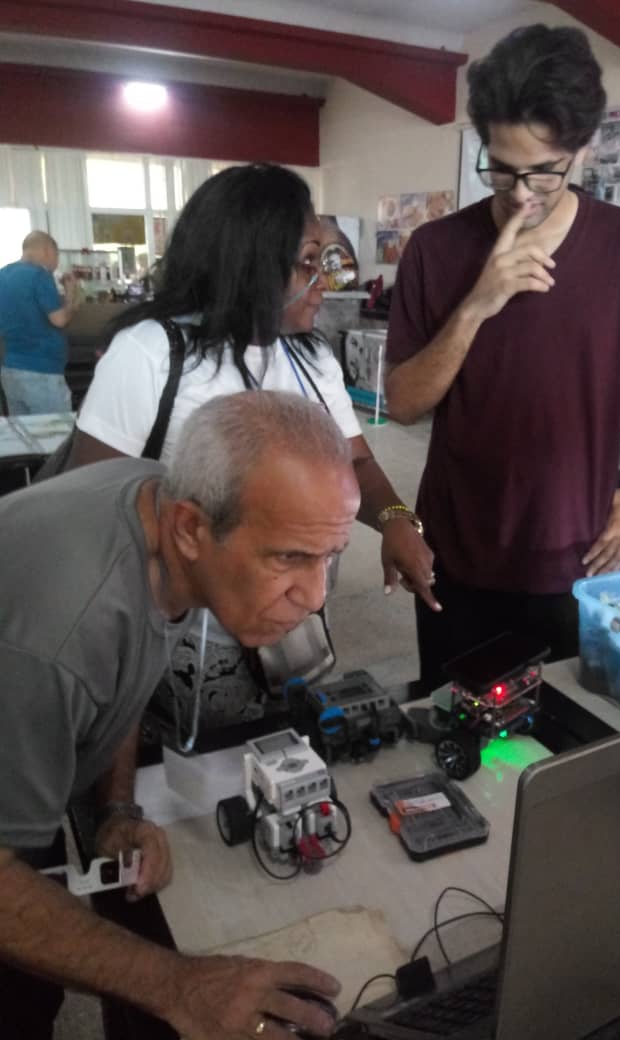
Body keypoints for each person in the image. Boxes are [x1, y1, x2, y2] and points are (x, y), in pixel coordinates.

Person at [0, 389, 355, 1039]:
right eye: (288, 558)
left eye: (330, 556)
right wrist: (180, 984)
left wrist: (116, 811)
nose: (315, 596)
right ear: (192, 529)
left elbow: (127, 665)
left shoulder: (159, 506)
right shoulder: (60, 636)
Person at [384, 24, 620, 692]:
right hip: (455, 561)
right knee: (455, 739)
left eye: (543, 172)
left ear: (583, 150)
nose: (521, 193)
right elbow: (404, 403)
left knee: (562, 746)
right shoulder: (436, 249)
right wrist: (479, 302)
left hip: (577, 567)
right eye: (500, 169)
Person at [66, 163, 436, 722]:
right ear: (251, 262)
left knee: (280, 752)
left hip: (294, 622)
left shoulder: (310, 359)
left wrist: (394, 519)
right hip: (179, 632)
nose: (324, 282)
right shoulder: (152, 355)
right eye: (308, 263)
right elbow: (91, 513)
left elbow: (355, 461)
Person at [0, 230, 80, 414]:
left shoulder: (2, 275)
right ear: (47, 251)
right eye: (57, 254)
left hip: (10, 371)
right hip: (42, 372)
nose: (57, 261)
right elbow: (59, 320)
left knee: (26, 434)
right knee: (56, 434)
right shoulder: (39, 275)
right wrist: (70, 297)